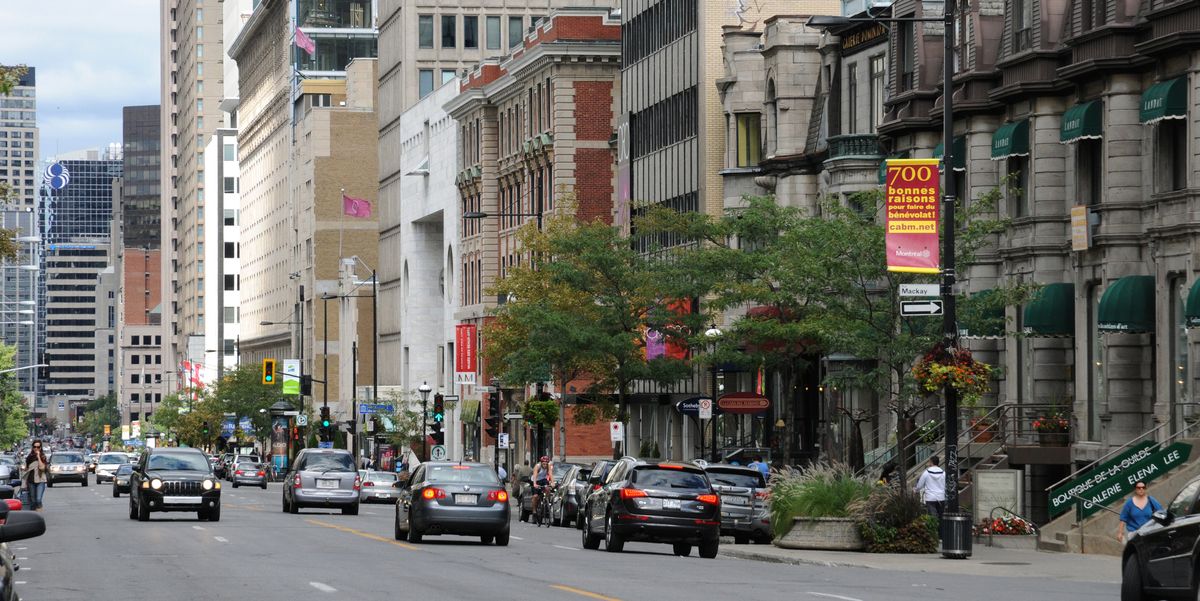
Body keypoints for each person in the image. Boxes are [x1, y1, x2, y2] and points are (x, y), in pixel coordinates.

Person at [23, 440, 48, 512]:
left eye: (38, 447)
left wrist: (38, 456)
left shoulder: (43, 456)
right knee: (33, 501)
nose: (36, 448)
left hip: (40, 480)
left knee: (38, 499)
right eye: (35, 447)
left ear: (40, 448)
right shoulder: (29, 457)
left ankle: (39, 511)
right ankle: (34, 513)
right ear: (32, 447)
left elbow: (42, 468)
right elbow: (26, 468)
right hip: (31, 481)